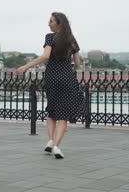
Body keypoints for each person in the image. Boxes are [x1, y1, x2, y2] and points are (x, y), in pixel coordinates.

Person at [16, 12, 84, 159]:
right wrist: (70, 69)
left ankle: (50, 140)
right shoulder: (71, 39)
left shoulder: (50, 37)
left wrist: (26, 66)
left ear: (59, 23)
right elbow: (78, 63)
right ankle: (57, 147)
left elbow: (46, 56)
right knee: (64, 115)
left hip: (52, 77)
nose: (49, 24)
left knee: (52, 111)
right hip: (67, 78)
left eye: (51, 21)